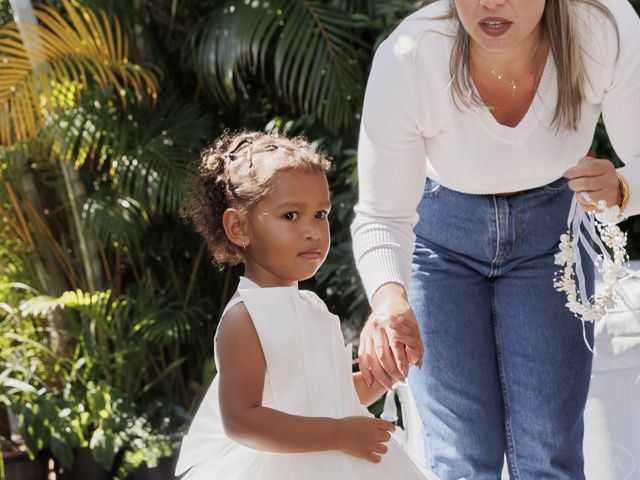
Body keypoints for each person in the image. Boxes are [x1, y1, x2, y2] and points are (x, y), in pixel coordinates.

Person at [351, 0, 640, 478]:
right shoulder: (410, 53)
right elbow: (382, 214)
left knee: (548, 455)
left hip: (554, 238)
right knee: (460, 460)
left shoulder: (603, 26)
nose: (491, 2)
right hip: (439, 243)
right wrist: (388, 299)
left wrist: (622, 191)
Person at [174, 131, 436, 479]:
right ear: (239, 227)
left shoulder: (312, 306)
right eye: (291, 216)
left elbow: (333, 396)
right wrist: (339, 434)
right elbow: (241, 420)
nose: (313, 230)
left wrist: (386, 373)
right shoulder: (245, 317)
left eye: (320, 215)